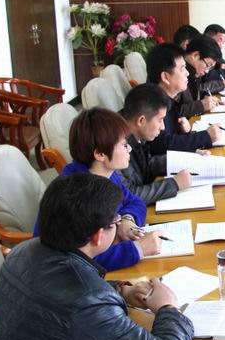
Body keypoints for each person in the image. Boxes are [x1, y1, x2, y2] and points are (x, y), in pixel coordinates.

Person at [0, 172, 194, 340]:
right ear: (98, 235)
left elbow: (59, 295)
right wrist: (168, 308)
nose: (118, 226)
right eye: (116, 221)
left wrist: (121, 291)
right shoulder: (87, 303)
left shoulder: (23, 251)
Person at [33, 108, 161, 271]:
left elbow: (135, 201)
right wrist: (137, 249)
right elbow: (79, 259)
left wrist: (127, 220)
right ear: (100, 154)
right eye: (124, 145)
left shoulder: (107, 174)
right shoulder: (76, 197)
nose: (129, 149)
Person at [118, 83, 193, 204]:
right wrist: (174, 184)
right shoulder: (115, 145)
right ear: (141, 120)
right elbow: (128, 195)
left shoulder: (134, 133)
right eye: (160, 120)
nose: (162, 127)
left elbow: (148, 165)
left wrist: (188, 158)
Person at [146, 42, 223, 155]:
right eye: (182, 69)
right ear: (165, 77)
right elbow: (162, 145)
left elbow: (172, 139)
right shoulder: (152, 104)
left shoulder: (168, 99)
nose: (187, 73)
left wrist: (185, 132)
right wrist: (205, 137)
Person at [182, 34, 223, 115]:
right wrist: (201, 105)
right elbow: (172, 112)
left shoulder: (194, 72)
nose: (207, 71)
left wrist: (205, 97)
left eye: (210, 67)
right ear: (195, 55)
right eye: (208, 65)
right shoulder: (177, 73)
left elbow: (196, 91)